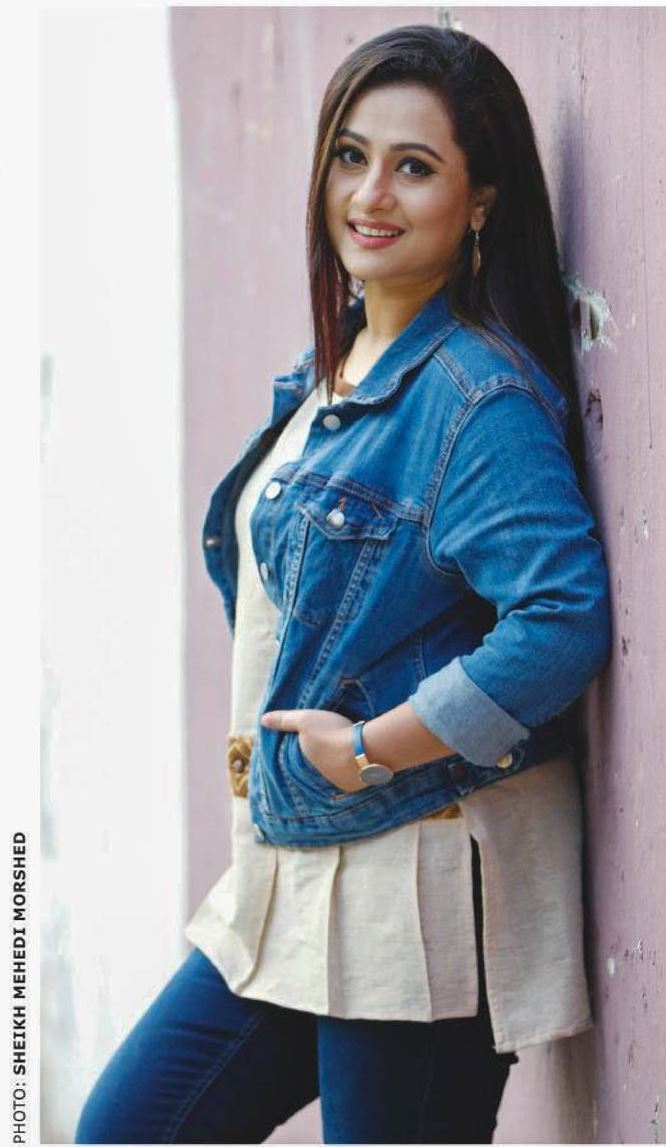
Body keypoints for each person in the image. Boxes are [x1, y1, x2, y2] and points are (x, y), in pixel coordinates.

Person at [75, 23, 612, 1145]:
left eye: (414, 167)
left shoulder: (476, 396)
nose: (370, 195)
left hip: (411, 889)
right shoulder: (340, 365)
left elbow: (562, 618)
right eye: (351, 157)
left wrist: (371, 749)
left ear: (480, 201)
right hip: (293, 874)